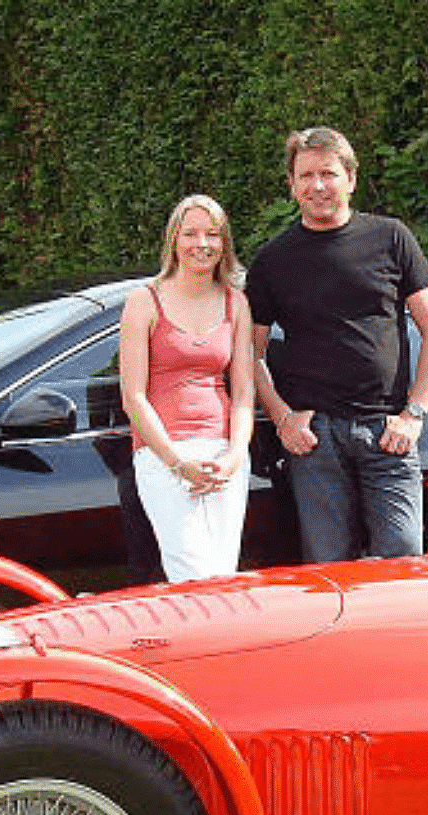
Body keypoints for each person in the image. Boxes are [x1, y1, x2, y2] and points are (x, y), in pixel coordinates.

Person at [246, 126, 428, 562]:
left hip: (388, 435)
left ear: (351, 178)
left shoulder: (391, 238)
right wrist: (283, 418)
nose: (317, 186)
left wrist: (414, 413)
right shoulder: (272, 260)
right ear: (291, 184)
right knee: (329, 574)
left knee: (403, 565)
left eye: (328, 173)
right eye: (305, 175)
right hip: (315, 441)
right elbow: (250, 354)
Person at [118, 194, 256, 581]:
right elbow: (134, 397)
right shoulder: (144, 302)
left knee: (223, 573)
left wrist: (231, 458)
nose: (202, 244)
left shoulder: (236, 304)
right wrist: (178, 463)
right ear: (173, 241)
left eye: (213, 234)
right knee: (191, 572)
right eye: (191, 233)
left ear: (224, 243)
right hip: (165, 454)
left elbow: (244, 393)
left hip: (223, 454)